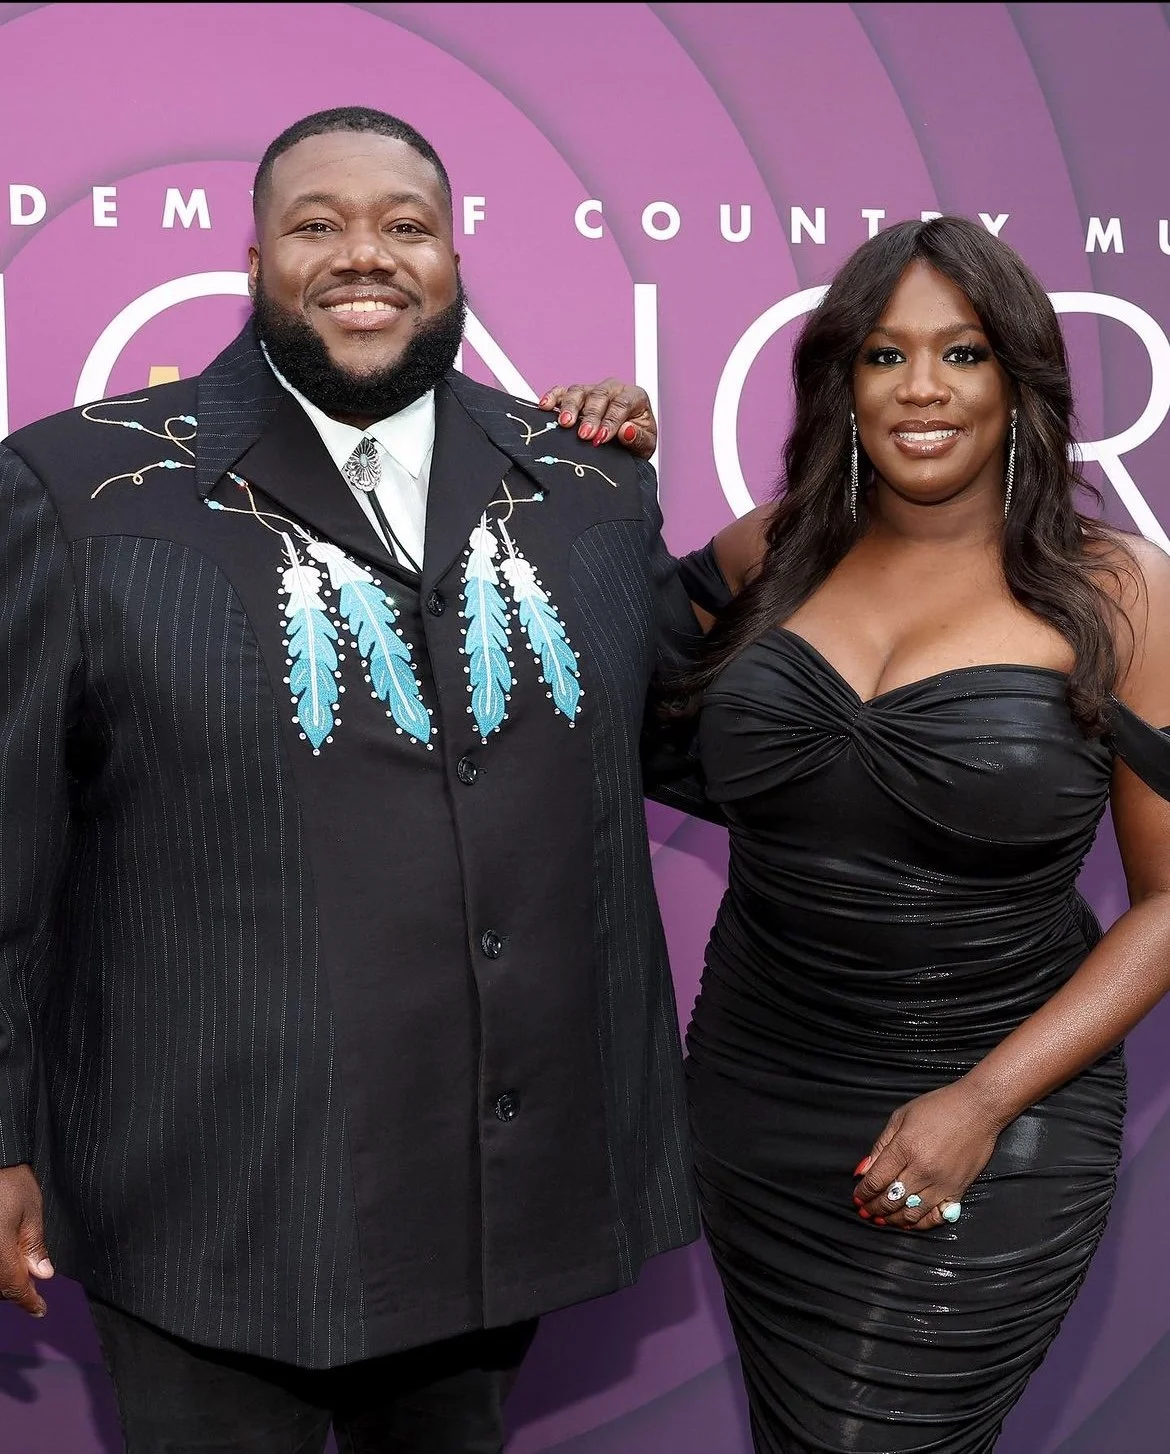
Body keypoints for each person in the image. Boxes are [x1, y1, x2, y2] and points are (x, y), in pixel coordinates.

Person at [0, 106, 701, 1453]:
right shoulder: (77, 487)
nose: (361, 254)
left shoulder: (584, 489)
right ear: (256, 256)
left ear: (453, 256)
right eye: (317, 224)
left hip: (488, 1198)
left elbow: (691, 732)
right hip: (202, 1202)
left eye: (402, 224)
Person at [543, 216, 1170, 1452]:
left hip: (1001, 1112)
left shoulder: (1123, 590)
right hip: (757, 1095)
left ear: (1021, 381)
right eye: (885, 356)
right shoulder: (766, 554)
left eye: (965, 353)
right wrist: (593, 475)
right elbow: (574, 688)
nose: (923, 388)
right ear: (842, 381)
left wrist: (980, 1102)